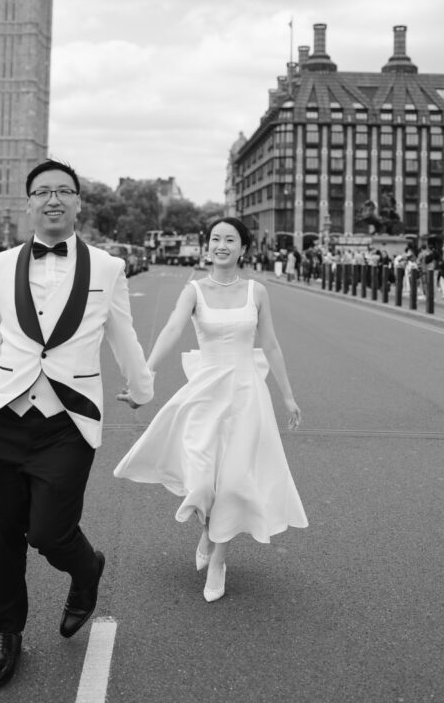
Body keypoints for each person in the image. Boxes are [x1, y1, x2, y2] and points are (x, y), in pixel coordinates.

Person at [0, 159, 153, 689]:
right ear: (28, 203)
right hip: (3, 416)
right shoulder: (0, 266)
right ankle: (7, 632)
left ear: (78, 203)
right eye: (43, 192)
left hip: (68, 420)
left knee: (48, 531)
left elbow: (124, 336)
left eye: (63, 191)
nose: (53, 199)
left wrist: (140, 389)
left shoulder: (109, 268)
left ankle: (86, 568)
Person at [114, 217, 308, 604]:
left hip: (247, 395)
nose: (222, 245)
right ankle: (208, 529)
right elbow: (170, 330)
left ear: (243, 248)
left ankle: (219, 558)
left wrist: (288, 395)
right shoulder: (194, 290)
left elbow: (269, 345)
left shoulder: (257, 291)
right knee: (202, 483)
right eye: (216, 239)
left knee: (234, 481)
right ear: (209, 246)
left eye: (230, 239)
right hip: (206, 393)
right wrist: (144, 376)